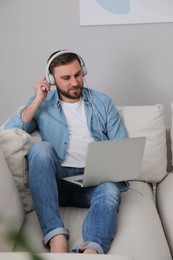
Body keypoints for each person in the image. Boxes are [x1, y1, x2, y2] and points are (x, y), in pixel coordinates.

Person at [4, 50, 129, 254]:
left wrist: (109, 167)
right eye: (66, 78)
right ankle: (56, 238)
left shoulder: (102, 102)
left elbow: (121, 145)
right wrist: (37, 100)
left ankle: (91, 251)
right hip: (57, 181)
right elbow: (11, 131)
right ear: (52, 79)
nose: (75, 82)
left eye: (78, 74)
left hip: (93, 180)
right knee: (41, 149)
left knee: (110, 189)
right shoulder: (43, 103)